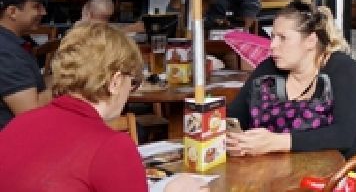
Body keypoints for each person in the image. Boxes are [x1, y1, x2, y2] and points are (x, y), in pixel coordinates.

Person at [0, 21, 206, 191]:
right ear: (115, 82)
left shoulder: (17, 124)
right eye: (132, 82)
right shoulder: (111, 146)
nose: (130, 90)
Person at [227, 0, 356, 158]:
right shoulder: (268, 69)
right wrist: (235, 140)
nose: (272, 45)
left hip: (352, 171)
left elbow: (343, 135)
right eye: (273, 37)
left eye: (283, 38)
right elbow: (234, 116)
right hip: (283, 171)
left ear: (311, 41)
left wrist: (276, 142)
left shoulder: (343, 69)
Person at [0, 0, 56, 130]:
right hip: (11, 147)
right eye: (36, 6)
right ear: (12, 11)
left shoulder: (12, 42)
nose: (43, 12)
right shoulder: (5, 51)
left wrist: (75, 75)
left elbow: (34, 86)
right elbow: (30, 111)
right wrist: (72, 86)